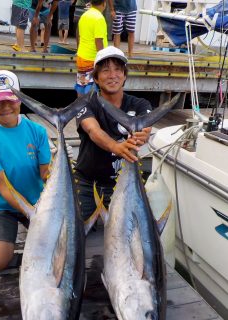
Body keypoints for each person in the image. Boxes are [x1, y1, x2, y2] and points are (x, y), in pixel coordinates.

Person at [0, 70, 51, 271]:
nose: (6, 106)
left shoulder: (38, 132)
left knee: (66, 244)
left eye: (11, 99)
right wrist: (33, 215)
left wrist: (56, 177)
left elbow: (45, 173)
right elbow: (4, 188)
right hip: (2, 205)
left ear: (19, 100)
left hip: (37, 202)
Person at [75, 46, 152, 221]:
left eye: (118, 70)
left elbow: (146, 128)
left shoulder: (140, 104)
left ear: (124, 75)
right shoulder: (85, 103)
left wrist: (143, 134)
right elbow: (92, 130)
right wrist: (115, 147)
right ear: (96, 78)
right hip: (87, 183)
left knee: (132, 231)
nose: (112, 75)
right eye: (105, 70)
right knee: (74, 232)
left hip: (122, 184)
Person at [75, 0, 108, 96]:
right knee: (93, 91)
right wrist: (102, 61)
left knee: (81, 87)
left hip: (81, 58)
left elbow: (78, 34)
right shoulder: (99, 18)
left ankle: (81, 109)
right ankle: (91, 110)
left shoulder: (84, 15)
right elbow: (98, 41)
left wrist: (79, 49)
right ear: (104, 3)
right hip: (93, 60)